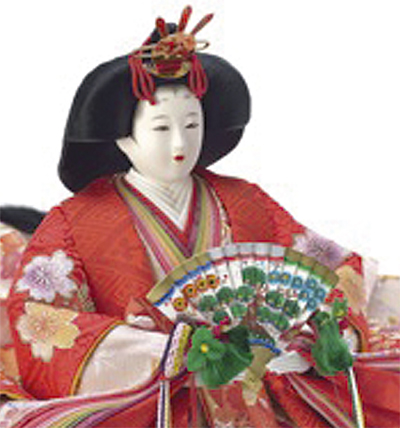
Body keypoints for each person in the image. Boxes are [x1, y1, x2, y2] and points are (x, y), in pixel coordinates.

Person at [1, 7, 399, 427]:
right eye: (161, 128)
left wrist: (318, 334)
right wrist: (166, 351)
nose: (181, 143)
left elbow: (330, 269)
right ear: (123, 137)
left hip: (266, 384)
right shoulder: (76, 221)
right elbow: (40, 318)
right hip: (157, 397)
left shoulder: (244, 200)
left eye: (192, 125)